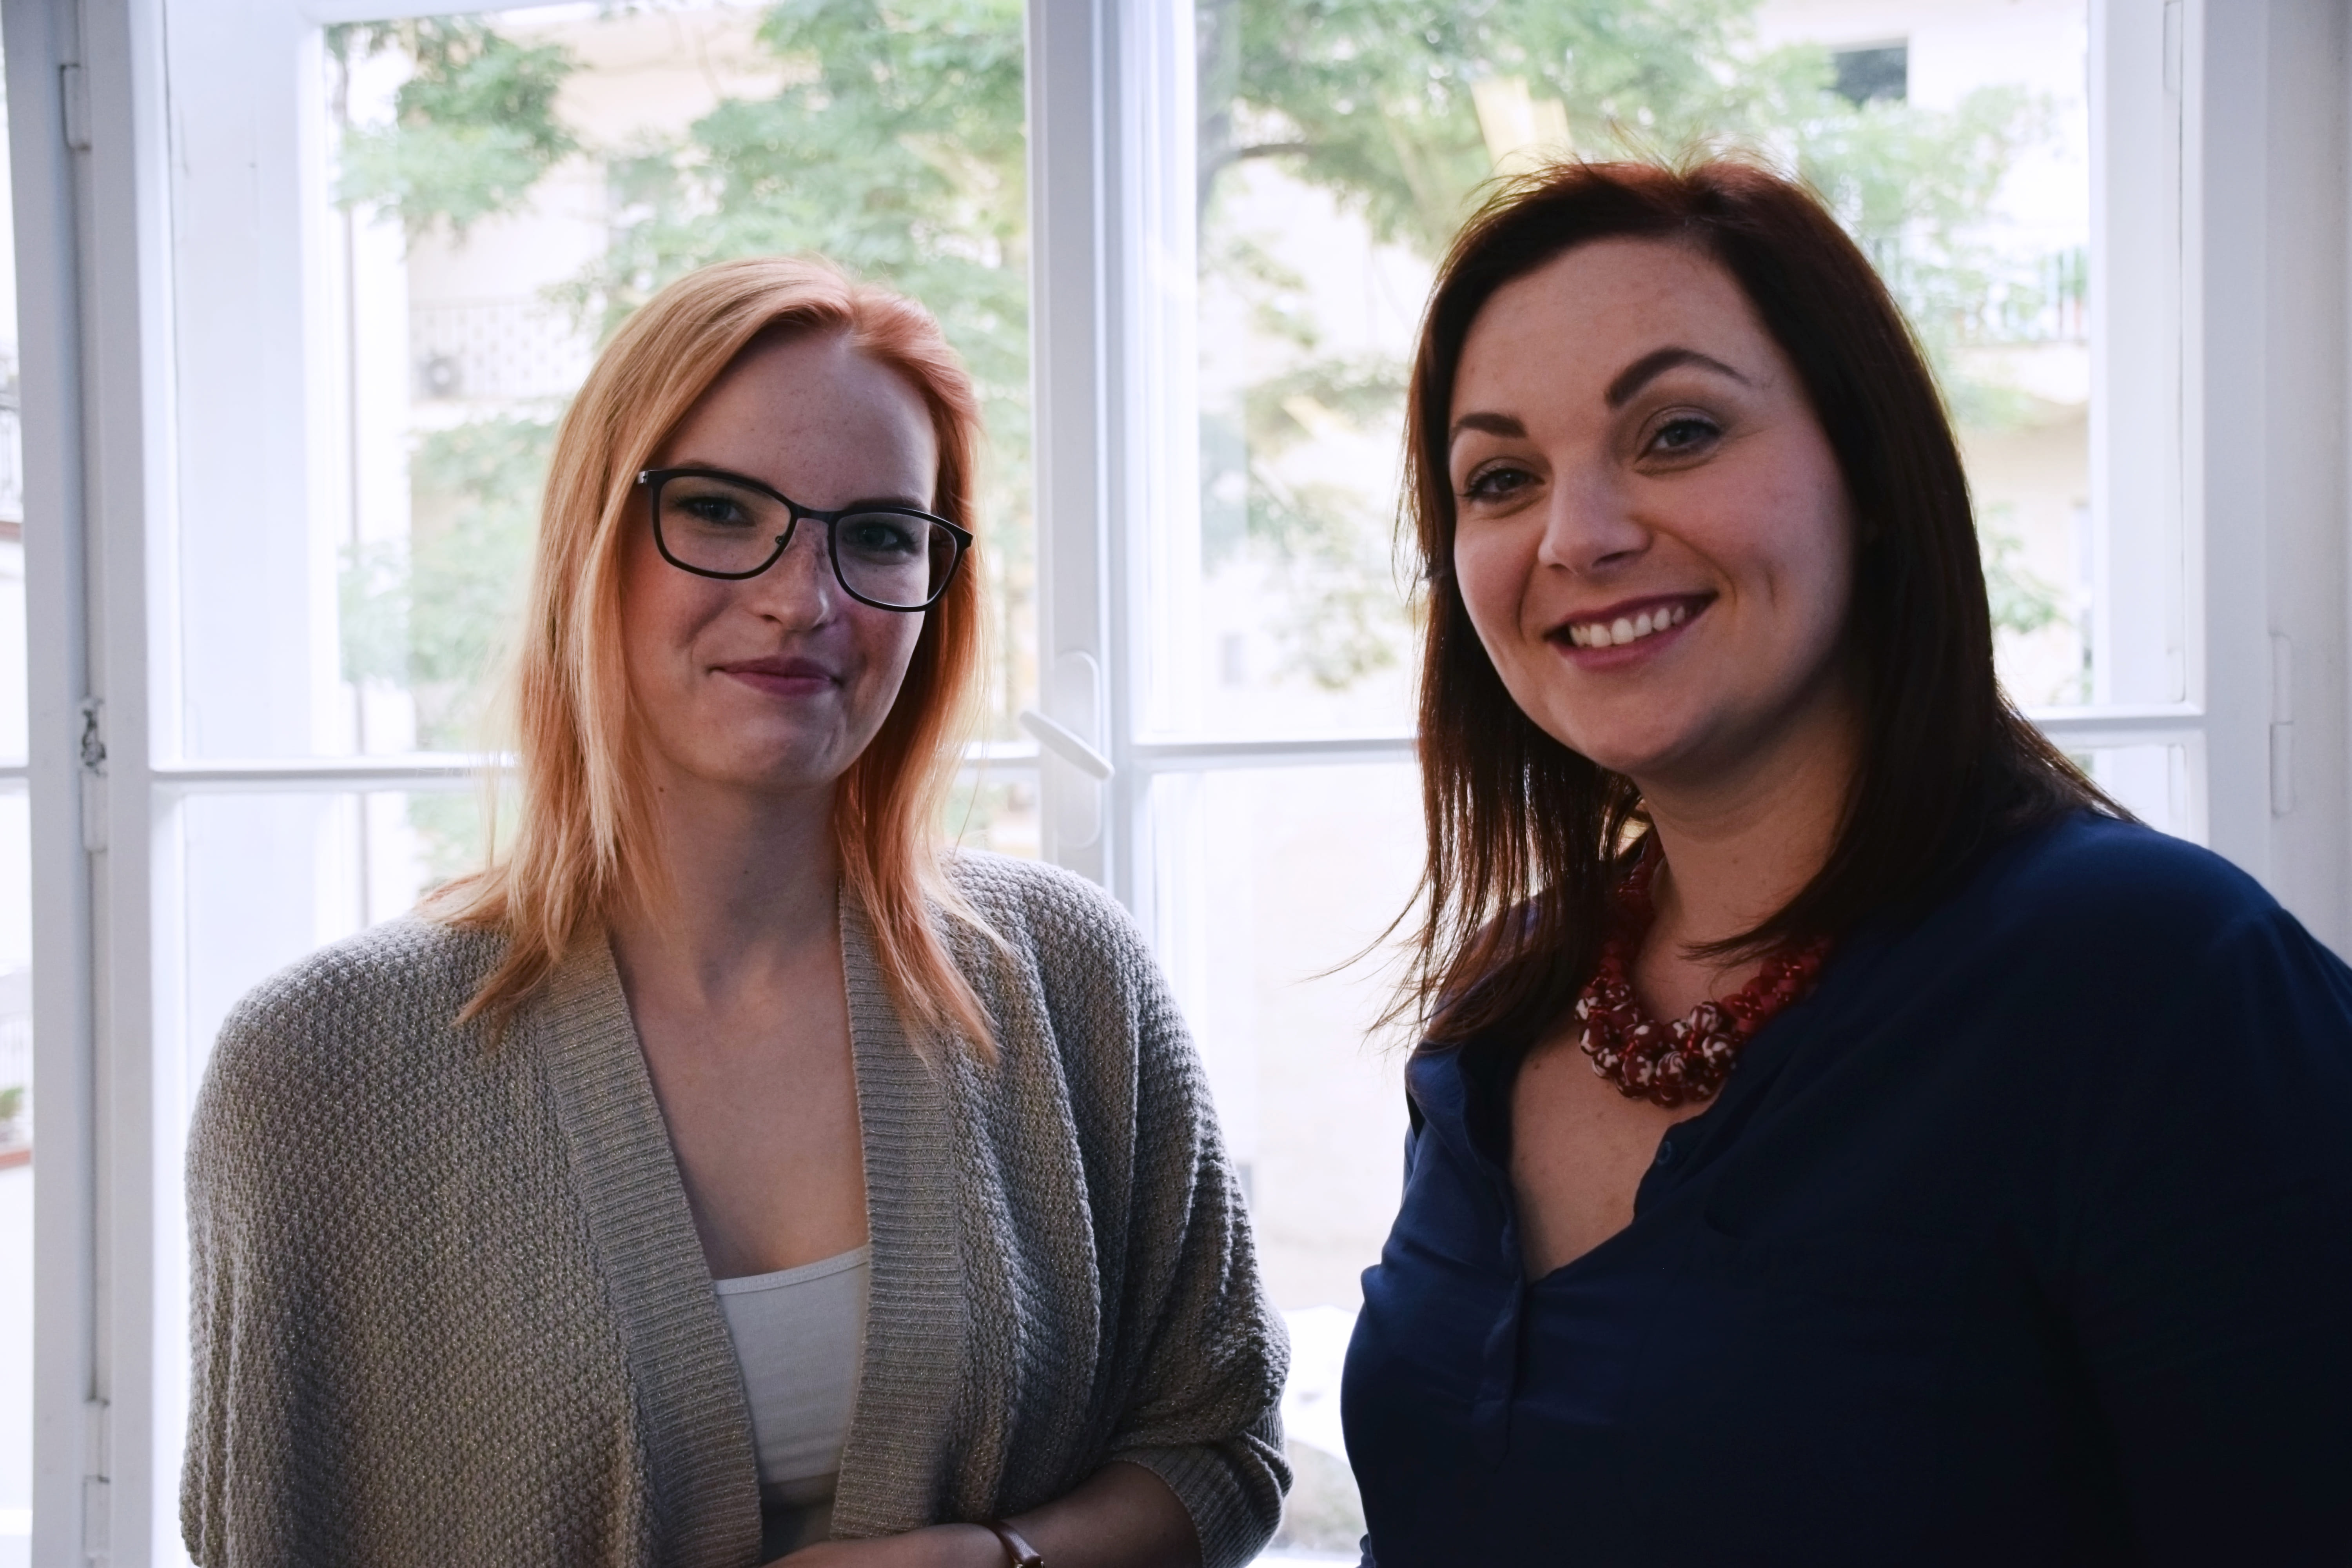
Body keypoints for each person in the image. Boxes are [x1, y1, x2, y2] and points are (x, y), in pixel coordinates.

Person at [182, 256, 1288, 1568]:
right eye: (718, 510)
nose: (802, 600)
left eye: (880, 535)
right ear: (593, 539)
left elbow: (1225, 1449)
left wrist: (997, 1561)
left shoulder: (1070, 979)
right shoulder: (317, 1068)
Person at [1339, 158, 2352, 1564]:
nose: (1580, 537)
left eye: (1677, 433)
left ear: (1868, 474)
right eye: (1503, 478)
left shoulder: (2160, 979)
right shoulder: (1501, 1003)